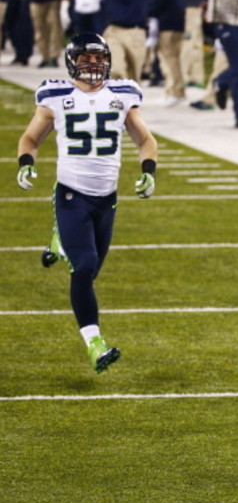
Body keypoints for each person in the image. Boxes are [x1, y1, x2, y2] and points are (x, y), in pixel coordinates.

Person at [15, 32, 158, 373]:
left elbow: (144, 138)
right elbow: (31, 137)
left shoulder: (123, 93)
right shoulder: (56, 95)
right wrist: (26, 162)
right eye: (86, 58)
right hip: (70, 194)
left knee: (91, 271)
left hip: (107, 198)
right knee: (84, 268)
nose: (93, 64)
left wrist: (149, 171)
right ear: (71, 61)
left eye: (98, 58)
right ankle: (95, 344)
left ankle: (59, 241)